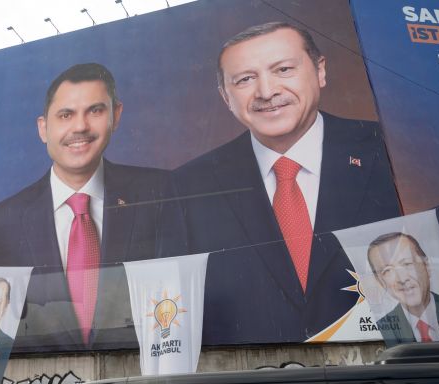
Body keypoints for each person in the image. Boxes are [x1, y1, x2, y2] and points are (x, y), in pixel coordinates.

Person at [172, 22, 401, 343]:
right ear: (226, 96)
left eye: (283, 69)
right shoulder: (186, 186)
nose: (266, 92)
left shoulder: (390, 149)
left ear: (320, 71)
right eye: (245, 79)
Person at [0, 63, 186, 351]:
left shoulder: (160, 192)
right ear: (43, 128)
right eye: (65, 115)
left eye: (95, 111)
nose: (80, 126)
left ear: (116, 115)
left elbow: (188, 298)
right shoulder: (3, 220)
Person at [367, 232, 439, 346]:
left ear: (427, 266)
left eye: (407, 264)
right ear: (380, 282)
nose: (402, 279)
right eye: (387, 271)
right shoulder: (381, 327)